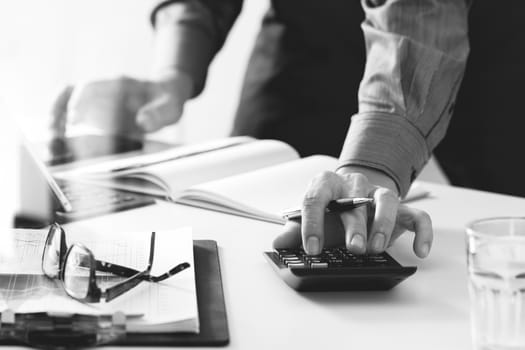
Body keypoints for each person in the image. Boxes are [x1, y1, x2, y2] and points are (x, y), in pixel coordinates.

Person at [53, 0, 472, 258]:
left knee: (493, 236)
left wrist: (374, 165)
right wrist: (173, 73)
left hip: (469, 46)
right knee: (246, 236)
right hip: (304, 43)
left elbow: (421, 12)